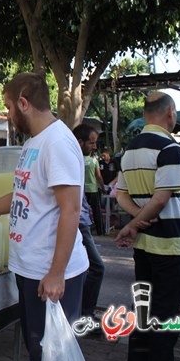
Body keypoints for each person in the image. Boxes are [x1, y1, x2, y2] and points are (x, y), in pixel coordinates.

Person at [0, 72, 88, 361]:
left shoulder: (57, 143)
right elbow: (21, 195)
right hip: (31, 269)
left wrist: (57, 272)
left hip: (52, 273)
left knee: (52, 355)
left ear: (23, 103)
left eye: (7, 107)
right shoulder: (34, 143)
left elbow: (70, 210)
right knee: (38, 352)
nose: (8, 115)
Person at [114, 92, 180, 361]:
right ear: (170, 112)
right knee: (165, 319)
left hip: (143, 247)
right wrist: (137, 222)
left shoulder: (129, 149)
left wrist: (136, 220)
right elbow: (161, 198)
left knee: (144, 313)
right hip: (170, 245)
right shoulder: (170, 148)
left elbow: (121, 195)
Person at [72, 124, 106, 320]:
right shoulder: (72, 159)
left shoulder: (80, 159)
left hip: (81, 220)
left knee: (86, 267)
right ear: (80, 142)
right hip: (77, 223)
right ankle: (85, 314)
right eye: (91, 143)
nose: (94, 146)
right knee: (97, 267)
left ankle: (82, 313)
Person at [80, 131, 105, 235]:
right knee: (96, 211)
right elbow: (98, 176)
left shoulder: (79, 159)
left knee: (83, 211)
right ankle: (100, 231)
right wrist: (103, 188)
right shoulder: (94, 160)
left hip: (83, 190)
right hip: (93, 189)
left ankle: (85, 230)